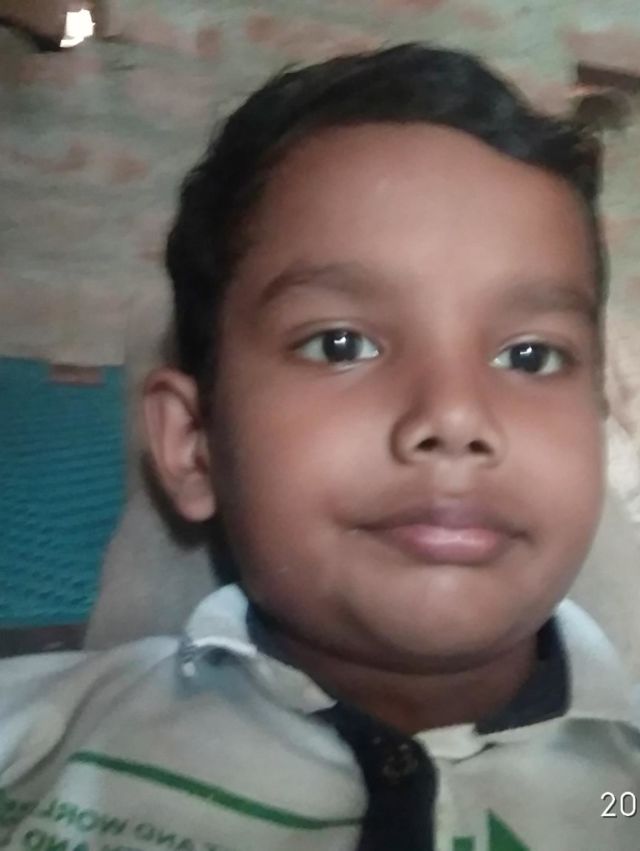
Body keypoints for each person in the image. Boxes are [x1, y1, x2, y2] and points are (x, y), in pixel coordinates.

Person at [1, 42, 639, 851]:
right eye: (341, 344)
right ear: (193, 443)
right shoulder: (34, 740)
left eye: (530, 356)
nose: (453, 415)